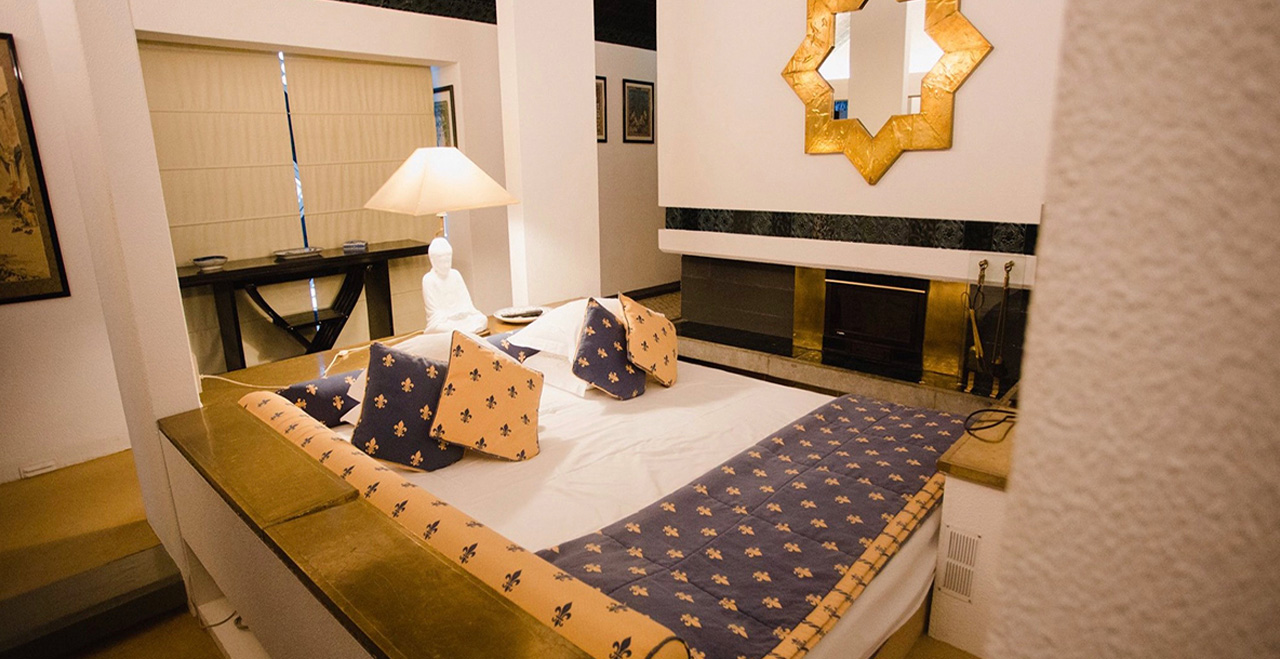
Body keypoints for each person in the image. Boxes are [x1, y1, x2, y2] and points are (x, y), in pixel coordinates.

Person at [421, 236, 487, 334]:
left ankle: (461, 332)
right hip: (445, 321)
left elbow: (467, 303)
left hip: (462, 316)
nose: (446, 265)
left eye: (448, 261)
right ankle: (459, 332)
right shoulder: (429, 279)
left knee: (482, 319)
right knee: (442, 328)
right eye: (442, 262)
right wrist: (450, 316)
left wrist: (463, 312)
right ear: (433, 261)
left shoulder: (455, 275)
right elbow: (434, 313)